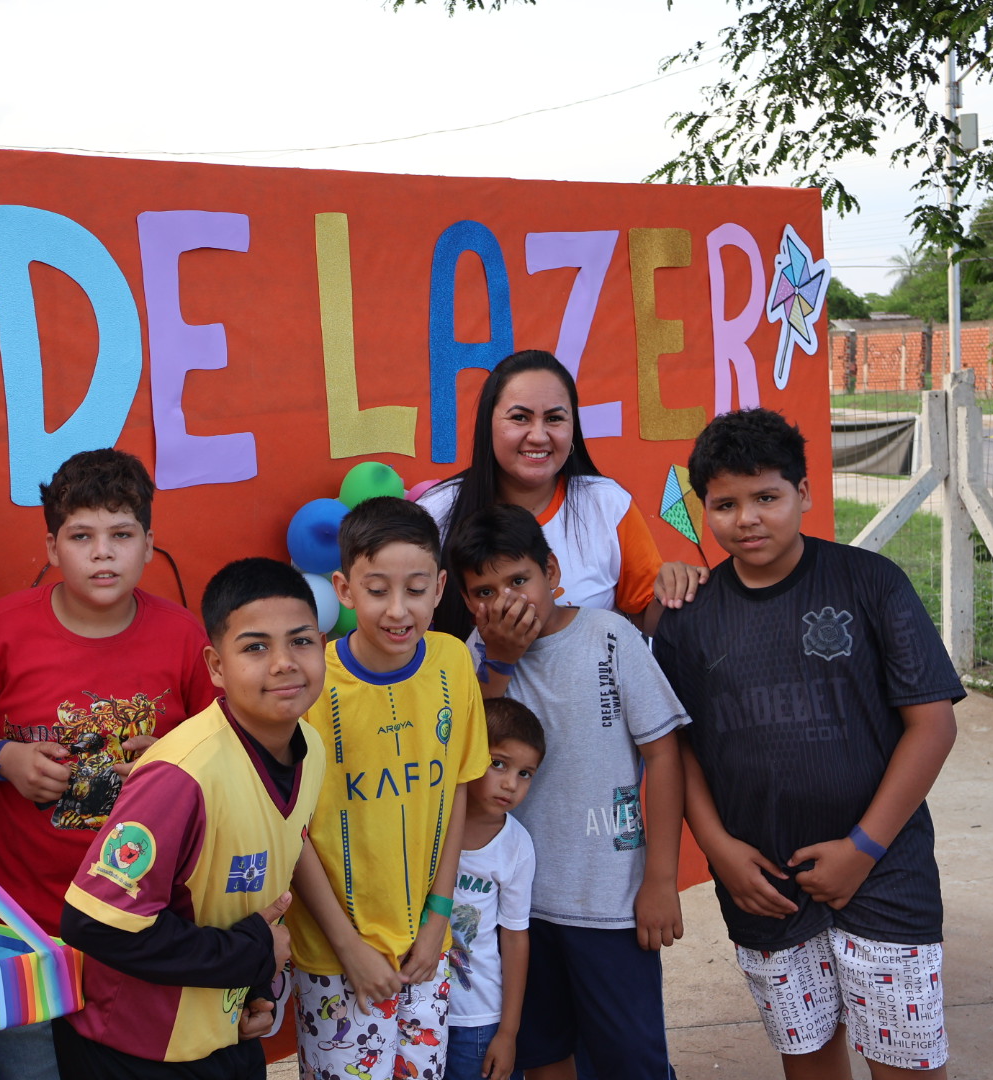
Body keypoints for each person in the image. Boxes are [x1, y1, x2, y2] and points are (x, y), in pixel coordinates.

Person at [652, 409, 961, 1080]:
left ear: (805, 494)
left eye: (767, 496)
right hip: (763, 882)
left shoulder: (870, 585)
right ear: (703, 509)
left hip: (884, 871)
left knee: (906, 1061)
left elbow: (933, 725)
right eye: (725, 503)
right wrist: (720, 852)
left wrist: (864, 848)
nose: (748, 518)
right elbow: (679, 750)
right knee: (810, 1059)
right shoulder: (688, 621)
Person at [0, 448, 219, 1079]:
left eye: (121, 535)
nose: (103, 553)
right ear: (53, 547)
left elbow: (229, 754)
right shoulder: (1, 630)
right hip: (21, 923)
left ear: (148, 544)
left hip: (142, 921)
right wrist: (4, 758)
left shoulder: (184, 637)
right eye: (82, 536)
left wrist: (173, 761)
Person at [54, 557, 328, 1079]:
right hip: (137, 1049)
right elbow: (94, 924)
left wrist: (255, 985)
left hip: (223, 1033)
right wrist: (251, 952)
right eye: (255, 647)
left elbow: (247, 896)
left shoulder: (309, 747)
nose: (284, 663)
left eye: (301, 641)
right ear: (216, 666)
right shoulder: (182, 775)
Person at [446, 503, 688, 1080]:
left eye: (518, 581)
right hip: (518, 909)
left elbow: (663, 752)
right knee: (543, 1055)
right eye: (483, 593)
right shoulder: (476, 659)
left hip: (611, 902)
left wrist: (660, 879)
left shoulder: (609, 637)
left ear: (552, 572)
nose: (503, 602)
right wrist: (500, 661)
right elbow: (468, 759)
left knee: (631, 1059)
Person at [287, 496, 486, 1080]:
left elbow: (455, 796)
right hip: (334, 958)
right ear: (344, 589)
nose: (398, 610)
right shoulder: (310, 689)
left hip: (426, 950)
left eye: (417, 589)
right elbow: (291, 828)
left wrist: (437, 920)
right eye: (377, 590)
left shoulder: (452, 663)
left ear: (441, 586)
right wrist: (349, 947)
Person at [417, 349, 700, 646]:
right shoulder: (436, 512)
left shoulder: (607, 504)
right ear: (488, 425)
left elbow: (649, 618)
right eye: (520, 418)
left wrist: (676, 590)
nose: (538, 436)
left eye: (554, 418)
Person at [447, 697, 545, 1080]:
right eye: (499, 763)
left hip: (478, 1019)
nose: (510, 783)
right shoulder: (430, 824)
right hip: (415, 1007)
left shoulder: (516, 846)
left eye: (525, 773)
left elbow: (516, 938)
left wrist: (508, 1031)